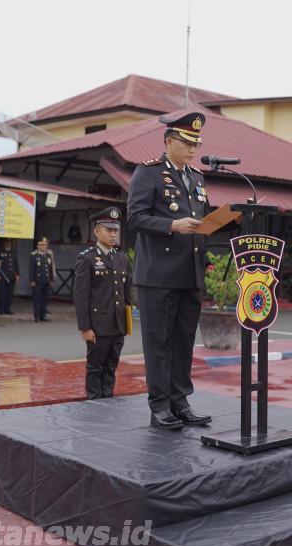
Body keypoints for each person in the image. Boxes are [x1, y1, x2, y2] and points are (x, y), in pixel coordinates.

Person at [126, 111, 213, 430]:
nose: (192, 150)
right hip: (158, 275)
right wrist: (172, 225)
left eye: (196, 144)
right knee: (158, 342)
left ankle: (180, 401)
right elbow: (134, 218)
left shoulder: (198, 178)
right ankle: (159, 405)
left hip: (189, 274)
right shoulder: (148, 173)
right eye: (186, 143)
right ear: (168, 142)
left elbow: (203, 219)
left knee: (183, 341)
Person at [73, 207, 132, 399]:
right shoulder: (87, 258)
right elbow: (81, 296)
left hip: (118, 324)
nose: (113, 233)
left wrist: (127, 323)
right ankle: (94, 403)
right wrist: (85, 327)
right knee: (95, 367)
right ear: (96, 231)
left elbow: (126, 293)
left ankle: (108, 399)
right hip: (98, 326)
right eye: (108, 229)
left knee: (111, 366)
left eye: (115, 230)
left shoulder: (122, 258)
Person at [30, 236, 53, 322]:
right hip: (37, 281)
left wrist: (51, 279)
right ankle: (37, 316)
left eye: (45, 245)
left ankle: (43, 315)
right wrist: (32, 280)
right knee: (37, 299)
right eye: (42, 245)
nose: (44, 247)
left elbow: (49, 269)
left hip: (46, 280)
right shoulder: (34, 255)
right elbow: (31, 269)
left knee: (45, 299)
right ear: (38, 246)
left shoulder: (47, 256)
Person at [0, 239, 19, 315]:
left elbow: (15, 264)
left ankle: (7, 308)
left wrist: (17, 274)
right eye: (7, 243)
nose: (8, 244)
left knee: (9, 294)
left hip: (11, 276)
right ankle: (1, 309)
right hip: (2, 276)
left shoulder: (13, 252)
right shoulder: (0, 252)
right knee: (2, 294)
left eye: (9, 243)